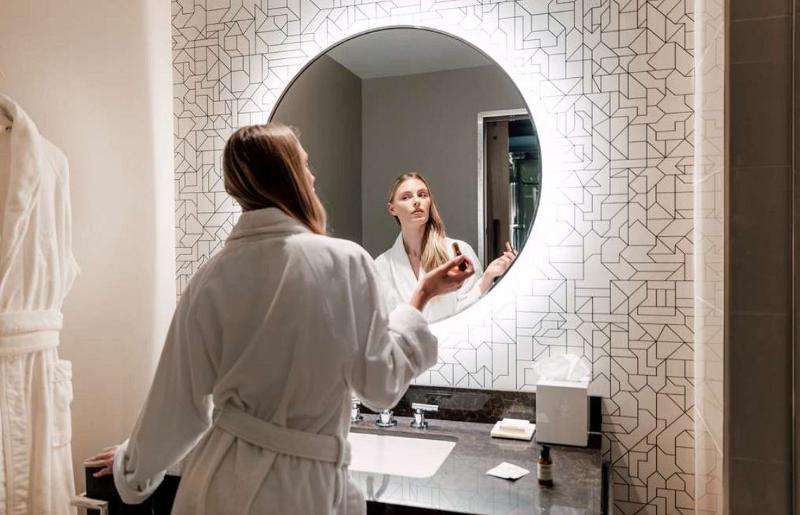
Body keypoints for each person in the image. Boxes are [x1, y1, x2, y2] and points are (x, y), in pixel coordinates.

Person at [85, 123, 474, 514]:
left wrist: (130, 467)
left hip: (215, 486)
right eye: (304, 165)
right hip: (300, 494)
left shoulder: (209, 278)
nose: (313, 176)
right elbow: (380, 387)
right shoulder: (344, 262)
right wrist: (421, 296)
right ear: (288, 177)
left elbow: (174, 408)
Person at [375, 173, 516, 321]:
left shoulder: (458, 252)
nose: (416, 201)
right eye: (406, 197)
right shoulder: (380, 266)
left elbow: (471, 314)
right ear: (392, 209)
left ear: (429, 202)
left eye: (422, 195)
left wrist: (487, 278)